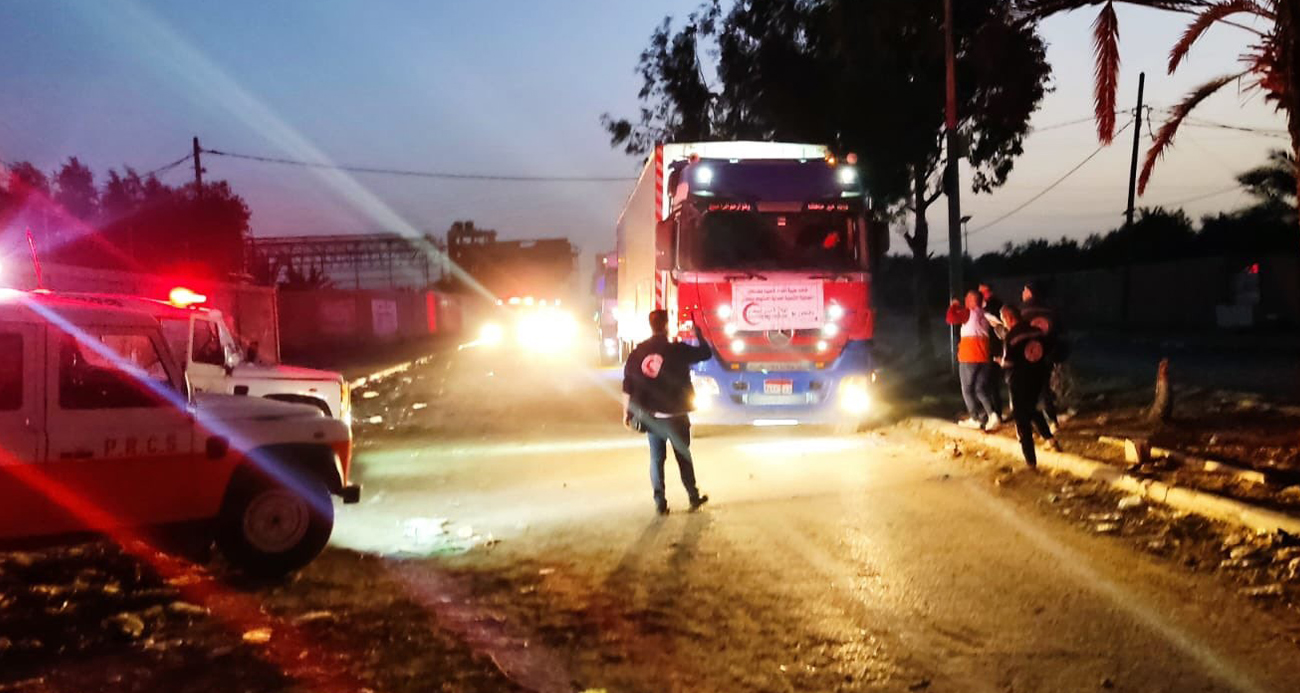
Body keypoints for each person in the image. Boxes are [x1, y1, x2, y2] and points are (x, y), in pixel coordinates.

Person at [622, 310, 712, 515]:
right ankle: (693, 496)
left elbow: (627, 383)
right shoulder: (677, 350)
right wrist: (699, 334)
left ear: (650, 325)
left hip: (652, 417)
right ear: (666, 326)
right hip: (677, 415)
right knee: (683, 456)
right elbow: (705, 353)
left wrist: (626, 413)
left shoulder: (638, 352)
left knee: (656, 460)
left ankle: (660, 502)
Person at [998, 305, 1060, 469]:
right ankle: (1050, 440)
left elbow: (1008, 362)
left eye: (1003, 320)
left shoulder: (1011, 337)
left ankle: (1030, 463)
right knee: (1031, 409)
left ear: (1010, 318)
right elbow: (1045, 350)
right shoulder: (1036, 331)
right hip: (1038, 377)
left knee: (1022, 420)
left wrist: (1001, 362)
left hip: (1019, 381)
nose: (1004, 324)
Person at [945, 290, 1000, 431]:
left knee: (967, 389)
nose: (965, 301)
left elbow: (950, 318)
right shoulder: (985, 314)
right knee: (981, 389)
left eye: (967, 298)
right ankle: (992, 415)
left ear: (971, 300)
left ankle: (975, 418)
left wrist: (954, 306)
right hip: (984, 356)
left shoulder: (969, 312)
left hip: (969, 357)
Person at [1020, 281, 1067, 433]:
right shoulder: (1050, 309)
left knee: (1028, 390)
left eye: (1024, 290)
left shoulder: (1023, 310)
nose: (1022, 293)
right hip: (1048, 353)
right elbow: (1060, 331)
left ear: (1030, 292)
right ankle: (1052, 420)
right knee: (1044, 388)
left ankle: (1032, 422)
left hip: (1030, 355)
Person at [978, 282, 1006, 417]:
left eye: (982, 292)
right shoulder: (989, 305)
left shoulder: (994, 306)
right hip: (988, 347)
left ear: (988, 291)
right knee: (988, 381)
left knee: (992, 381)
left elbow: (1000, 327)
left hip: (994, 347)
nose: (980, 295)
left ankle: (996, 412)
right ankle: (993, 411)